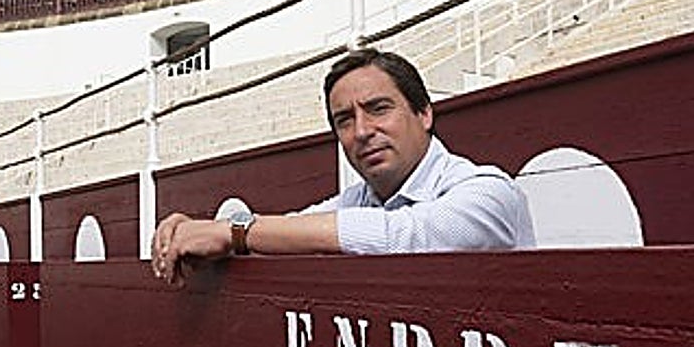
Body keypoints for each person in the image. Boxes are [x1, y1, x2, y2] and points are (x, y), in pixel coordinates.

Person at [151, 48, 533, 284]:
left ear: (424, 113)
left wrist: (233, 232)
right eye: (344, 120)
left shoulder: (490, 190)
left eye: (379, 109)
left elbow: (407, 235)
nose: (362, 131)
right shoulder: (355, 202)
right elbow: (283, 235)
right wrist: (202, 229)